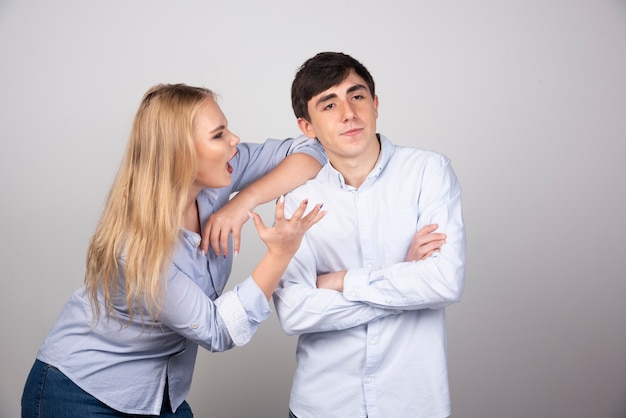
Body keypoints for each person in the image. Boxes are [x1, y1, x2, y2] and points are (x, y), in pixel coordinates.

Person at [21, 83, 327, 417]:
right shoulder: (136, 242)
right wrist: (280, 253)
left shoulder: (218, 177)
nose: (234, 141)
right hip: (81, 393)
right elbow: (217, 330)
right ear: (180, 152)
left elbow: (312, 151)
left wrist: (243, 202)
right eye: (219, 135)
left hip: (161, 394)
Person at [273, 52, 466, 418]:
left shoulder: (428, 173)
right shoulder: (298, 199)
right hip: (324, 405)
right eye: (328, 105)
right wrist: (404, 276)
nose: (348, 113)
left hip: (414, 403)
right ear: (307, 127)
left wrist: (339, 280)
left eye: (357, 96)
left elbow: (444, 282)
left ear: (375, 104)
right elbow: (294, 313)